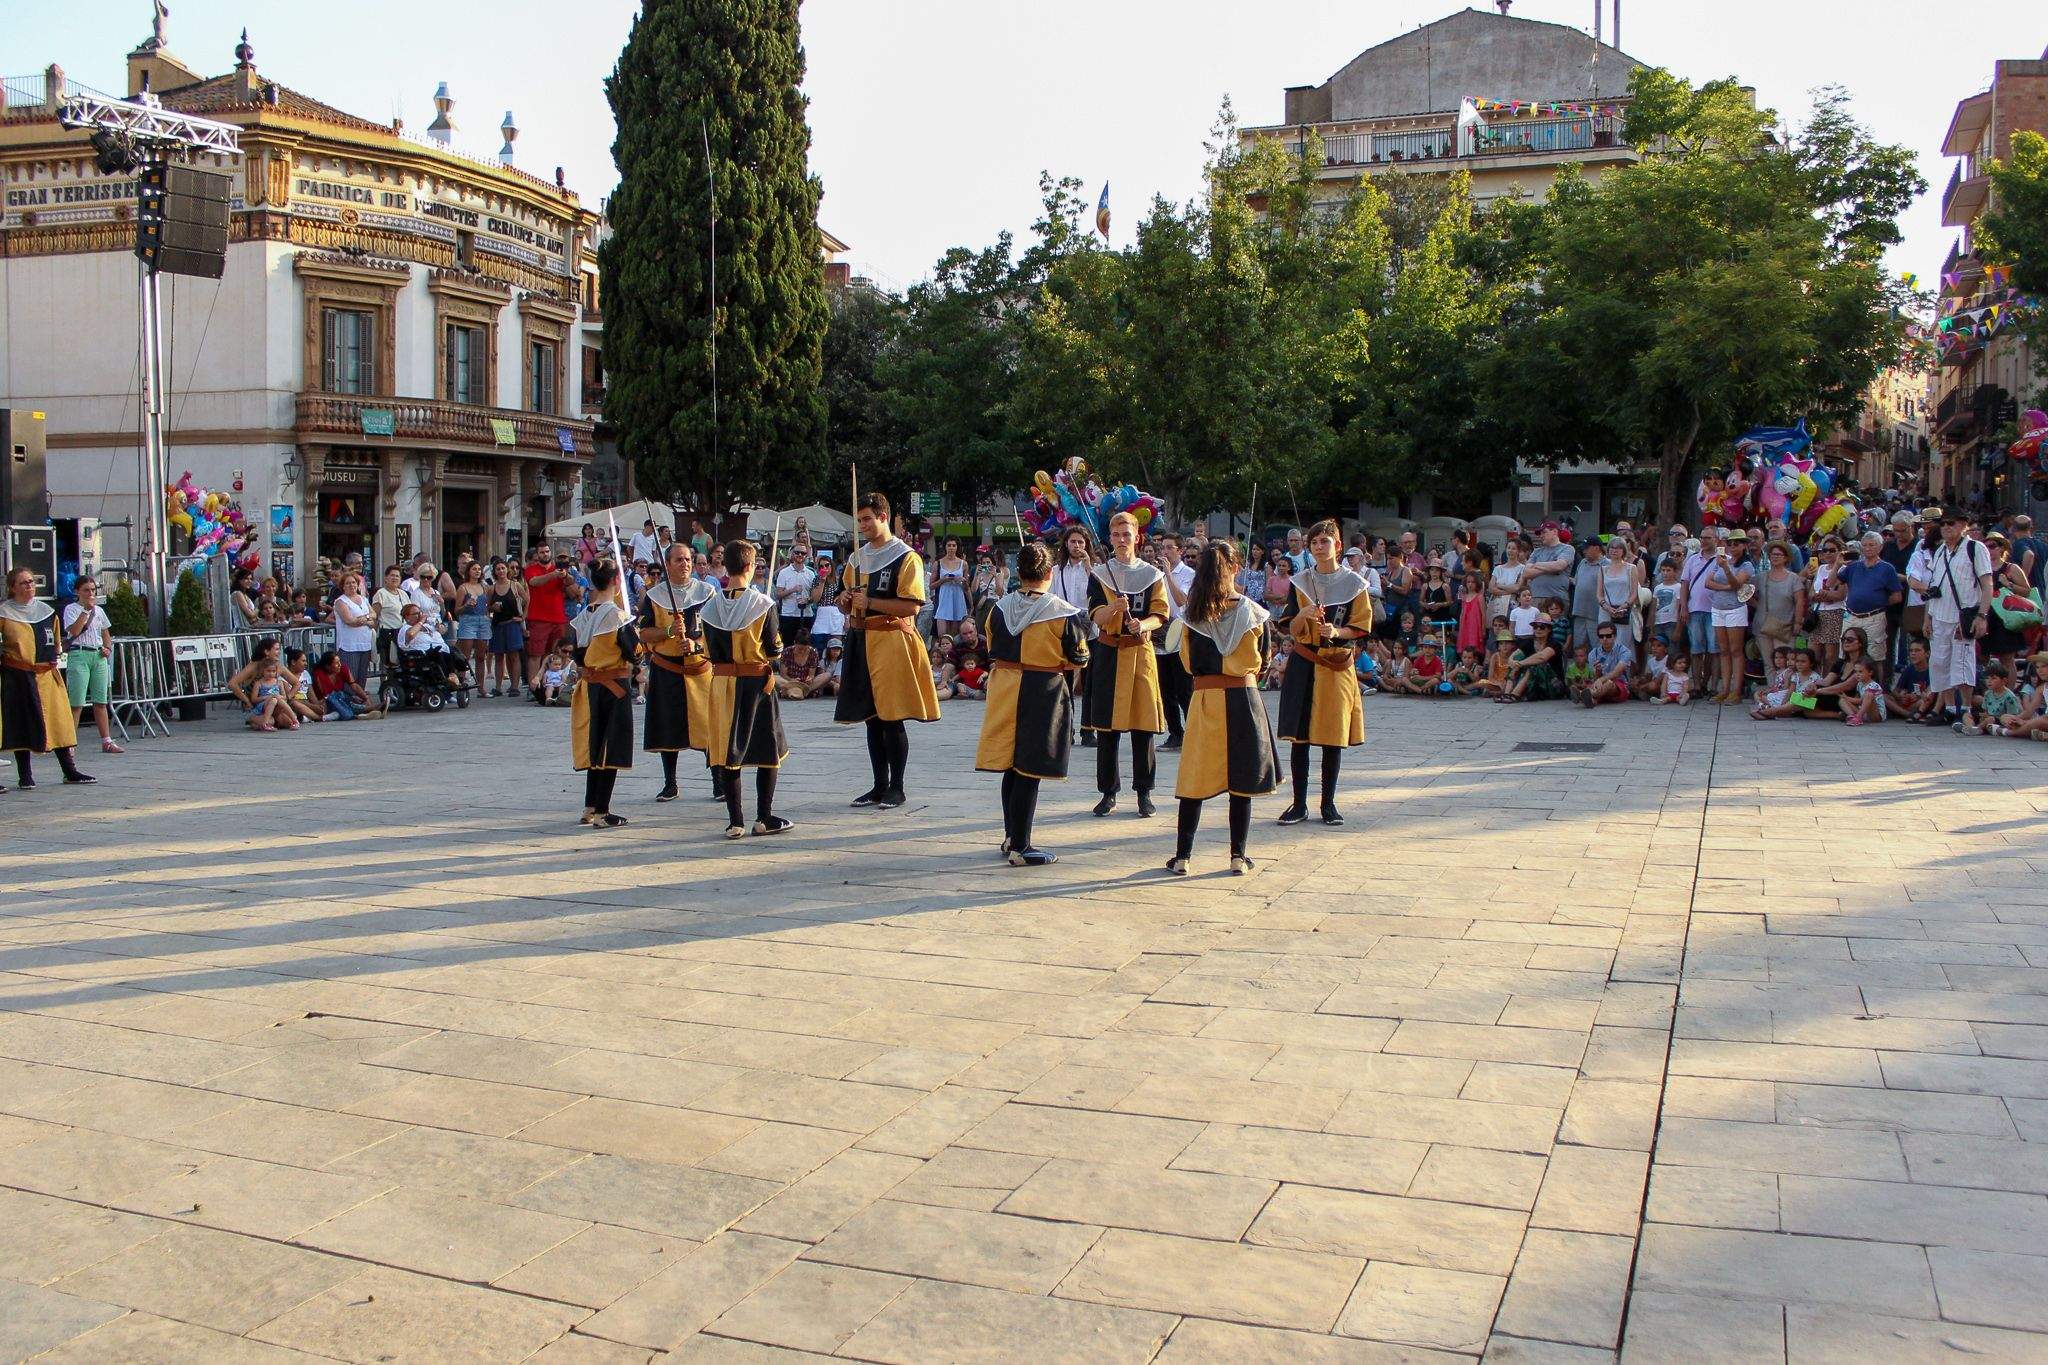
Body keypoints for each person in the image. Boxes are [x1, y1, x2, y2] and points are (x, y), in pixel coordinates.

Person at [1164, 542, 1277, 876]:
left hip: (1205, 699)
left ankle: (1183, 856)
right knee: (1241, 779)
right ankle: (1237, 857)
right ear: (1235, 568)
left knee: (1194, 778)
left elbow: (1185, 662)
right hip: (1244, 698)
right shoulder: (1254, 614)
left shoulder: (1191, 616)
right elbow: (1264, 662)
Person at [974, 541, 1090, 866]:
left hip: (1004, 687)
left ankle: (1012, 834)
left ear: (1019, 572)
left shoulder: (998, 608)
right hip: (1043, 690)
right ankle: (1021, 847)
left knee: (1011, 765)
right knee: (1028, 768)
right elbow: (1079, 656)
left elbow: (992, 645)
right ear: (1049, 573)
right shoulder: (1062, 611)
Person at [834, 493, 941, 807]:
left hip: (892, 641)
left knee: (892, 717)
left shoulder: (905, 556)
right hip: (862, 641)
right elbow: (849, 599)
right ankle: (878, 785)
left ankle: (898, 786)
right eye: (860, 520)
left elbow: (912, 605)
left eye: (867, 519)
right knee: (872, 717)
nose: (863, 525)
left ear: (883, 517)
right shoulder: (857, 559)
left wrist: (872, 603)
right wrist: (844, 601)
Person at [1273, 520, 1368, 825]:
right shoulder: (1300, 582)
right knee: (1300, 737)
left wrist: (1337, 631)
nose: (1319, 546)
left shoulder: (1355, 584)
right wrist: (1302, 614)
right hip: (1304, 662)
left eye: (1325, 541)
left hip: (1336, 666)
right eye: (1314, 542)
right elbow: (1286, 625)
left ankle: (1328, 804)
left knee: (1332, 736)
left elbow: (1360, 626)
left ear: (1337, 545)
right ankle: (1298, 804)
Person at [700, 540, 792, 838]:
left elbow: (706, 649)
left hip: (723, 684)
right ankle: (764, 816)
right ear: (751, 566)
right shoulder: (762, 604)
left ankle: (735, 821)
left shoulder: (709, 607)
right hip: (756, 684)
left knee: (729, 750)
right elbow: (775, 649)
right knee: (768, 748)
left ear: (725, 565)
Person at [1083, 511, 1170, 818]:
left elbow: (1160, 614)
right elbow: (1095, 616)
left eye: (1126, 534)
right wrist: (1113, 609)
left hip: (1140, 654)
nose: (1121, 540)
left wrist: (1142, 625)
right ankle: (1108, 792)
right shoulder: (1100, 575)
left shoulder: (1152, 575)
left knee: (1142, 726)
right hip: (1109, 654)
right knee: (1107, 727)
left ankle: (1144, 792)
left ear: (1137, 537)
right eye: (1116, 534)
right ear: (1109, 538)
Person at [1, 568, 95, 789]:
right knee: (20, 723)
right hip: (17, 677)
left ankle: (69, 770)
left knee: (58, 722)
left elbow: (55, 642)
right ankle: (25, 776)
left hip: (45, 675)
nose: (29, 586)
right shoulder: (4, 614)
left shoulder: (46, 611)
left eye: (32, 581)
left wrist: (54, 656)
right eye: (23, 583)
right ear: (13, 587)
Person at [637, 543, 716, 803]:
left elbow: (717, 633)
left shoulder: (707, 592)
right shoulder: (655, 596)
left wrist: (696, 645)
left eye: (688, 559)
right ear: (668, 564)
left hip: (699, 668)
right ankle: (670, 783)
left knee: (709, 726)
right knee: (668, 726)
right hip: (667, 668)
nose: (685, 564)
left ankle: (719, 782)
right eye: (679, 560)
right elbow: (644, 633)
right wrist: (669, 631)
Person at [1909, 509, 1993, 724]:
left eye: (1952, 523)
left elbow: (1987, 585)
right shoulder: (1939, 552)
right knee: (1939, 663)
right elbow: (1934, 588)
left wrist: (1982, 615)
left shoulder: (1975, 548)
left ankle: (1964, 708)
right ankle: (1947, 708)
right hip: (1939, 614)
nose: (1946, 527)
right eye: (1943, 523)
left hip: (1963, 615)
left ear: (1963, 525)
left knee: (1962, 663)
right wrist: (1927, 618)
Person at [569, 561, 636, 828]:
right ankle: (602, 811)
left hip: (590, 686)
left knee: (595, 745)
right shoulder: (616, 616)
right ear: (616, 581)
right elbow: (635, 653)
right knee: (609, 748)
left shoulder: (584, 615)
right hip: (613, 688)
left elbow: (577, 653)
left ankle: (590, 805)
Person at [60, 578, 120, 755]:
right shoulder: (71, 609)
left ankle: (107, 740)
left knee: (100, 701)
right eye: (86, 590)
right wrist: (85, 611)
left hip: (98, 654)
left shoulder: (99, 611)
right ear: (78, 592)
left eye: (93, 590)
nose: (90, 593)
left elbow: (105, 632)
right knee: (77, 702)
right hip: (79, 654)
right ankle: (69, 743)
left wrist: (108, 648)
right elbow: (74, 631)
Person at [1839, 531, 1903, 677]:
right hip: (1852, 616)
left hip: (1874, 617)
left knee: (1875, 657)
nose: (1868, 548)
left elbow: (1897, 596)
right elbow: (1832, 583)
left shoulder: (1887, 569)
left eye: (1872, 545)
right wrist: (1837, 564)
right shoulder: (1853, 566)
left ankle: (1877, 692)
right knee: (1846, 654)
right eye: (1865, 545)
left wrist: (1878, 602)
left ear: (1880, 547)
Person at [1156, 533, 1196, 748]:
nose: (1166, 551)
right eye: (1163, 547)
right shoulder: (1156, 574)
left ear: (1180, 550)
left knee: (1184, 689)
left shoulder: (1188, 574)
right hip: (1160, 634)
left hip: (1180, 634)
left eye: (1170, 547)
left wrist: (1169, 575)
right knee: (1165, 688)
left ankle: (1193, 731)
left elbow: (1182, 601)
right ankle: (1175, 732)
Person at [1705, 533, 1753, 705]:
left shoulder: (1746, 565)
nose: (1733, 547)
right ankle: (1724, 689)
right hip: (1717, 608)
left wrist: (1726, 569)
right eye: (1730, 544)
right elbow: (1707, 582)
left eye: (1736, 544)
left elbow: (1737, 584)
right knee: (1723, 651)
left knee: (1735, 651)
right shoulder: (1720, 560)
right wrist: (1725, 586)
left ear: (1743, 546)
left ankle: (1736, 691)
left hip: (1735, 609)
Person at [524, 543, 570, 692]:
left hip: (558, 617)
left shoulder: (559, 568)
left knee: (558, 653)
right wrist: (553, 575)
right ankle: (533, 688)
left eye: (547, 551)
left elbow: (572, 585)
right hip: (538, 618)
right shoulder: (531, 569)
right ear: (537, 555)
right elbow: (534, 582)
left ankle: (557, 685)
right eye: (542, 552)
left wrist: (566, 575)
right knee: (535, 654)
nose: (545, 554)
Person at [311, 650, 379, 720]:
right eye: (336, 663)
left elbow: (354, 685)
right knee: (336, 699)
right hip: (327, 702)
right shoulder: (319, 674)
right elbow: (327, 697)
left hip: (340, 699)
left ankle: (367, 709)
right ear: (327, 666)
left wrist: (366, 698)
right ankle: (364, 712)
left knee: (343, 697)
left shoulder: (343, 669)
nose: (340, 665)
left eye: (339, 662)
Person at [1583, 623, 1635, 706]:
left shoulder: (1624, 651)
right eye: (1601, 636)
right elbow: (1595, 678)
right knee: (1594, 684)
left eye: (1608, 636)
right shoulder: (1593, 654)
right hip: (1600, 686)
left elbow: (1616, 673)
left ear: (1614, 636)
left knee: (1609, 683)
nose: (1604, 639)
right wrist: (1598, 672)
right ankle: (1593, 699)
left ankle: (1591, 696)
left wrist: (1600, 680)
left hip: (1619, 686)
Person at [932, 537, 973, 639]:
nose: (951, 548)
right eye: (949, 545)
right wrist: (943, 580)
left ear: (957, 547)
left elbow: (967, 588)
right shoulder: (938, 563)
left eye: (954, 545)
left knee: (956, 636)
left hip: (958, 600)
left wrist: (963, 580)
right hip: (943, 601)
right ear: (945, 547)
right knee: (943, 636)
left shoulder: (964, 564)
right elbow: (931, 585)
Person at [372, 566, 409, 671]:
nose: (395, 578)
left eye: (397, 576)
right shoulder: (381, 594)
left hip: (402, 632)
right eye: (392, 575)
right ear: (386, 578)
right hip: (387, 633)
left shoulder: (403, 594)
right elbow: (374, 615)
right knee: (387, 664)